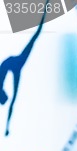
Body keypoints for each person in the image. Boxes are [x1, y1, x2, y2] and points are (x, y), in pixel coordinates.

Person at [0, 0, 49, 136]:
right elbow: (12, 105)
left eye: (4, 96)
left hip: (15, 64)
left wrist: (7, 127)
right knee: (36, 35)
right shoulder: (11, 74)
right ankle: (46, 8)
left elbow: (11, 104)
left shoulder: (3, 75)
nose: (7, 95)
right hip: (17, 64)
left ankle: (45, 8)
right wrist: (7, 127)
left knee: (36, 35)